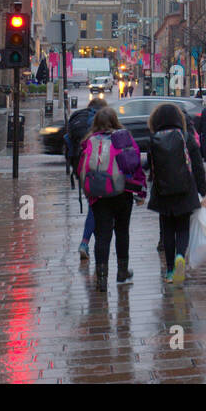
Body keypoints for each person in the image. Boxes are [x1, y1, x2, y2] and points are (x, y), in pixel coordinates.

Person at [77, 107, 145, 290]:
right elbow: (135, 165)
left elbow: (80, 169)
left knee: (102, 235)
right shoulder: (123, 138)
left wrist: (87, 191)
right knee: (122, 232)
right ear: (115, 121)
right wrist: (141, 191)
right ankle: (122, 272)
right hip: (122, 193)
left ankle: (101, 279)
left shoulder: (89, 141)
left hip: (98, 195)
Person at [146, 101, 206, 284]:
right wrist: (202, 190)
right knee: (182, 227)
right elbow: (197, 165)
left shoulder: (154, 138)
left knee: (167, 230)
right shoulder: (186, 137)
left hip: (162, 190)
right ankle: (181, 256)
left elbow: (151, 167)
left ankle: (171, 270)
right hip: (185, 189)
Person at [67, 96, 108, 262]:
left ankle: (88, 243)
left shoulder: (78, 119)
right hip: (99, 169)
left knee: (93, 204)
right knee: (97, 208)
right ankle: (87, 243)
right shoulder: (102, 119)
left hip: (81, 169)